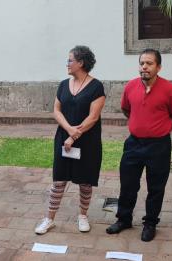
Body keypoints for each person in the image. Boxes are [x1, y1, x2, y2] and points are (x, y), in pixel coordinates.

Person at [106, 49, 172, 242]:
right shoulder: (131, 87)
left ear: (158, 67)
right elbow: (126, 110)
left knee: (156, 187)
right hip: (134, 144)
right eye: (142, 63)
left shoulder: (170, 90)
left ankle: (150, 223)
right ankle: (124, 219)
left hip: (159, 146)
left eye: (149, 63)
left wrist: (160, 127)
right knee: (128, 184)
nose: (144, 67)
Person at [34, 45, 106, 234]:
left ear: (80, 63)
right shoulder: (63, 85)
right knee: (59, 179)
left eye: (70, 60)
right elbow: (56, 110)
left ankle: (83, 216)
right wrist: (68, 131)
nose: (67, 63)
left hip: (87, 141)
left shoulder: (96, 86)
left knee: (85, 181)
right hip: (63, 139)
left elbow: (93, 117)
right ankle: (49, 219)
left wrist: (74, 136)